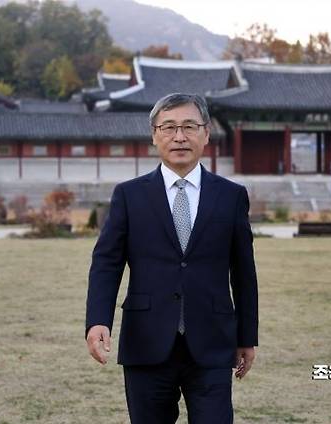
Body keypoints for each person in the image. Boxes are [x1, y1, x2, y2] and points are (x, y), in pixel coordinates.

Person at [85, 93, 259, 423]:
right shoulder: (129, 195)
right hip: (146, 341)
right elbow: (107, 263)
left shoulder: (231, 196)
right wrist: (97, 320)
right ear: (154, 134)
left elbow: (243, 271)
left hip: (212, 343)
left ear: (206, 134)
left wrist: (247, 337)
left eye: (189, 126)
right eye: (168, 127)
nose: (179, 136)